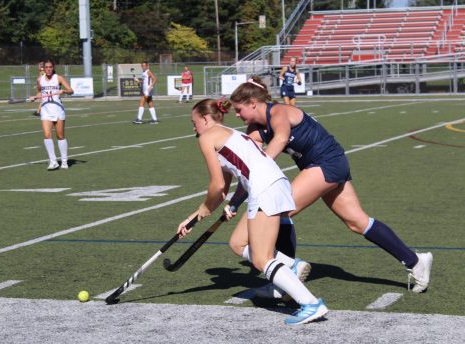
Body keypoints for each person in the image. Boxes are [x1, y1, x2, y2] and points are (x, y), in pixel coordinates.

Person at [224, 76, 433, 297]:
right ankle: (417, 261)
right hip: (324, 165)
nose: (237, 115)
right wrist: (235, 202)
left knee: (280, 208)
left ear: (253, 103)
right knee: (357, 222)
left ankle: (285, 278)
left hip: (326, 163)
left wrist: (260, 168)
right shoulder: (255, 129)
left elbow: (281, 139)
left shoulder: (278, 112)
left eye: (239, 109)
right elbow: (250, 166)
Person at [176, 98, 328, 325]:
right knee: (237, 242)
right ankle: (290, 266)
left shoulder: (207, 137)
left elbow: (216, 186)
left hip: (263, 188)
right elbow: (225, 187)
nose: (193, 127)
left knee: (261, 259)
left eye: (194, 121)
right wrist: (195, 218)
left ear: (205, 119)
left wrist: (204, 209)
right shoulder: (231, 134)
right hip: (276, 183)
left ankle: (311, 304)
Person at [29, 60, 74, 170]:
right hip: (45, 110)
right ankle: (53, 161)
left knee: (60, 136)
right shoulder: (40, 79)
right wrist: (35, 97)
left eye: (50, 67)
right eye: (46, 67)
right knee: (47, 135)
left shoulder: (58, 78)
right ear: (43, 68)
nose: (48, 69)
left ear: (53, 68)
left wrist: (63, 91)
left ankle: (64, 161)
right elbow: (40, 92)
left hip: (58, 110)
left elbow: (71, 91)